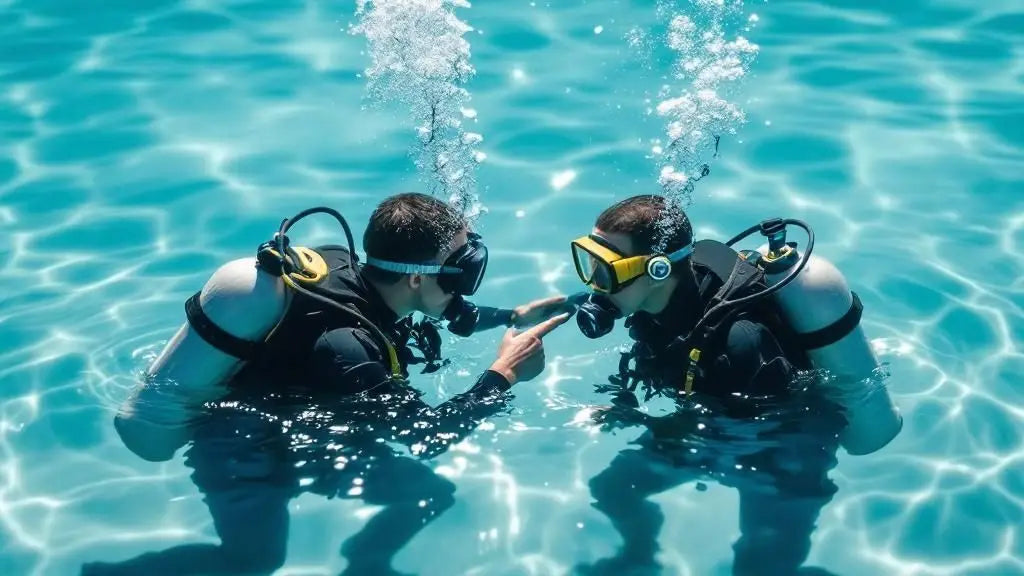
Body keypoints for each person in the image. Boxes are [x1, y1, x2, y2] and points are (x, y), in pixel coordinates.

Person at [92, 192, 571, 575]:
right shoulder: (349, 348)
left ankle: (366, 563)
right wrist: (503, 375)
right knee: (255, 562)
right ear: (416, 281)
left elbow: (447, 309)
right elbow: (425, 437)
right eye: (465, 271)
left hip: (305, 426)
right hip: (244, 448)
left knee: (426, 495)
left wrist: (510, 316)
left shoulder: (352, 269)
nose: (468, 284)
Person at [565, 195, 866, 576]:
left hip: (784, 452)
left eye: (605, 270)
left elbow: (743, 432)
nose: (594, 282)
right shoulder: (658, 298)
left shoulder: (739, 344)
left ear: (657, 270)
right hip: (718, 425)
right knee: (614, 490)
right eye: (589, 262)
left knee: (760, 565)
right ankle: (640, 556)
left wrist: (644, 421)